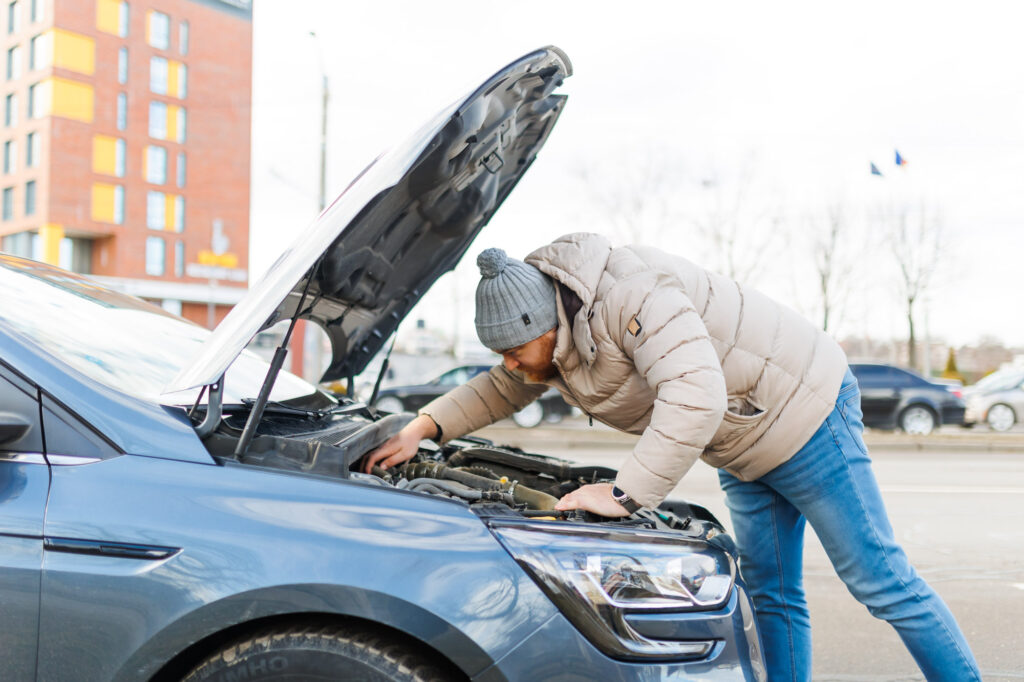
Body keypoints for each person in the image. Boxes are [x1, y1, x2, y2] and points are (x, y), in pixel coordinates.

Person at [363, 232, 981, 682]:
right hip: (742, 442)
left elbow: (696, 394)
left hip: (806, 412)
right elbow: (501, 388)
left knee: (881, 583)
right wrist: (425, 426)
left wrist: (624, 494)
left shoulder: (631, 298)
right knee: (771, 593)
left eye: (515, 349)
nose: (511, 364)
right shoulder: (553, 338)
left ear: (546, 321)